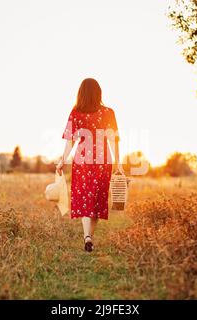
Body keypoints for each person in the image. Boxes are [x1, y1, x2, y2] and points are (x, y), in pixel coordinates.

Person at [56, 78, 123, 252]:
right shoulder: (108, 112)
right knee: (97, 200)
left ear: (81, 93)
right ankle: (89, 237)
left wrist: (63, 159)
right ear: (99, 93)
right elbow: (113, 140)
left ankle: (87, 236)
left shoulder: (76, 112)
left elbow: (70, 141)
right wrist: (119, 163)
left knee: (85, 198)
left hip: (82, 160)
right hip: (103, 160)